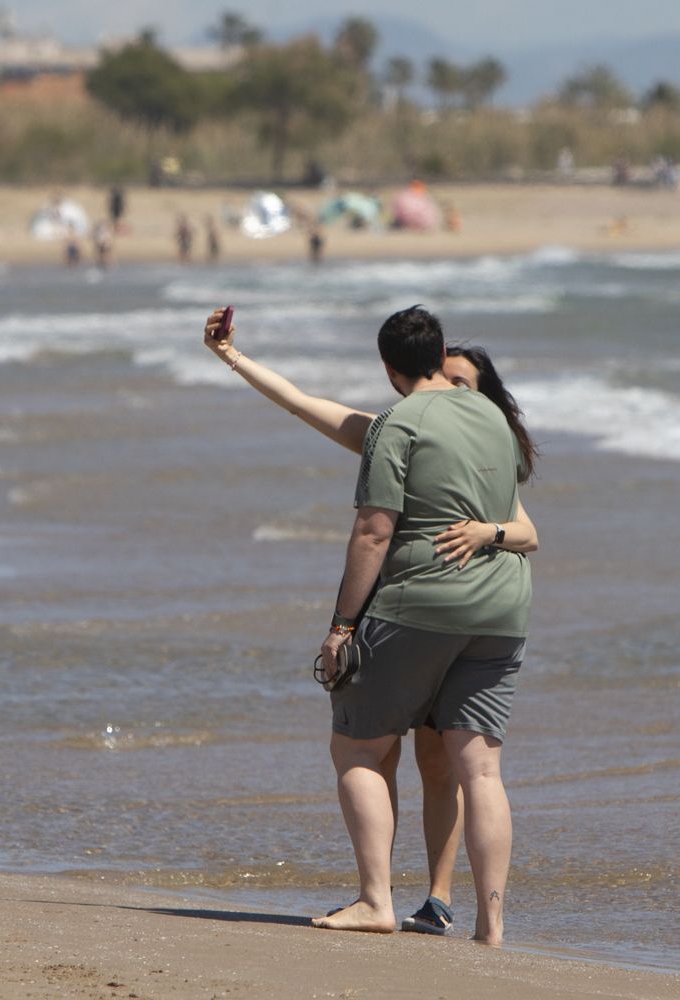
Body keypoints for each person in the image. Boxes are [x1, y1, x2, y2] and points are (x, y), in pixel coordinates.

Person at [203, 308, 537, 942]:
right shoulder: (494, 419)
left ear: (388, 369)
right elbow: (308, 405)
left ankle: (376, 901)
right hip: (503, 608)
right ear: (441, 356)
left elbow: (373, 529)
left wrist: (339, 628)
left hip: (422, 602)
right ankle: (492, 927)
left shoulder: (398, 425)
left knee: (357, 747)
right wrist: (235, 359)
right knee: (482, 772)